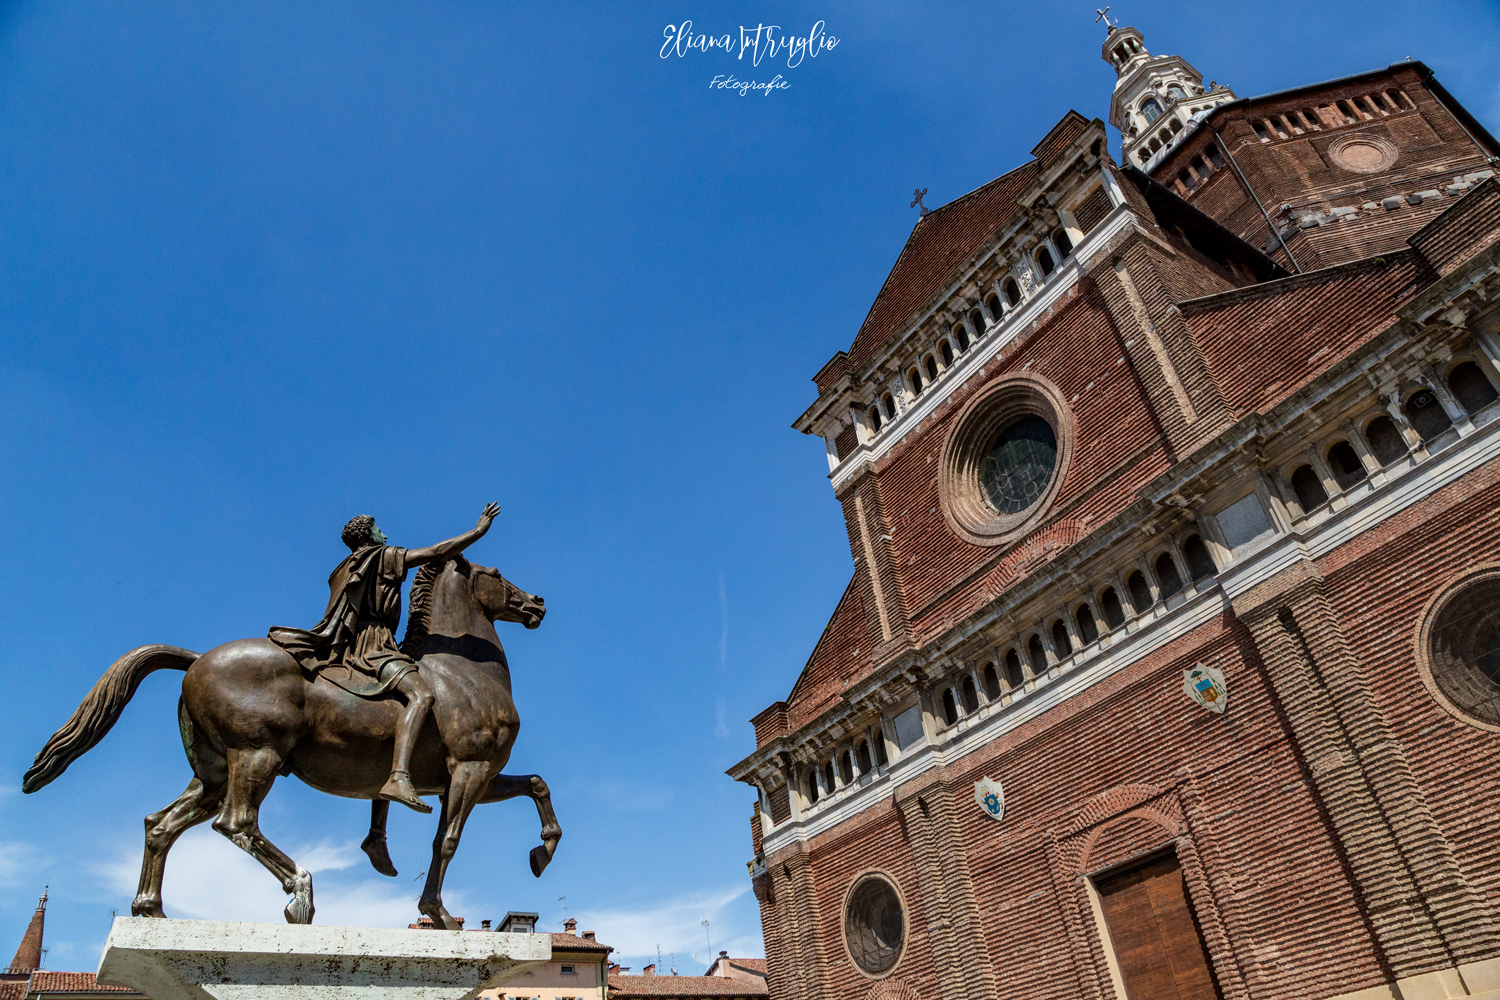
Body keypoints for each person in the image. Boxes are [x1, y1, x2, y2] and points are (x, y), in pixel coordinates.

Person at [270, 502, 501, 812]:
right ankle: (399, 776)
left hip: (353, 646)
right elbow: (434, 553)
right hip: (375, 647)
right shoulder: (382, 556)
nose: (385, 534)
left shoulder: (344, 568)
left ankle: (377, 833)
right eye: (379, 529)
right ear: (368, 535)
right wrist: (477, 531)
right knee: (420, 696)